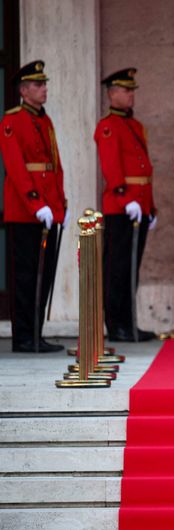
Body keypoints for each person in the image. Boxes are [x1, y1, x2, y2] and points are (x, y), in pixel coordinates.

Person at [0, 60, 67, 353]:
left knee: (45, 272)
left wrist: (58, 203)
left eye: (45, 84)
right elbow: (16, 169)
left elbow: (54, 165)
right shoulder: (11, 121)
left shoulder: (45, 121)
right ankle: (23, 337)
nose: (44, 89)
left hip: (48, 211)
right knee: (26, 276)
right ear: (24, 90)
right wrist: (36, 203)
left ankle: (35, 333)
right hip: (26, 211)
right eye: (39, 85)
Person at [94, 68, 156, 342]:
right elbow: (111, 168)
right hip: (121, 208)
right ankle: (116, 324)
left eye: (132, 90)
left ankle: (129, 323)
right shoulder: (108, 126)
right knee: (117, 268)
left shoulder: (135, 125)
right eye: (126, 90)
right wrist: (124, 198)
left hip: (138, 205)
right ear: (112, 93)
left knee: (132, 268)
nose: (131, 95)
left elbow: (144, 170)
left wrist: (149, 206)